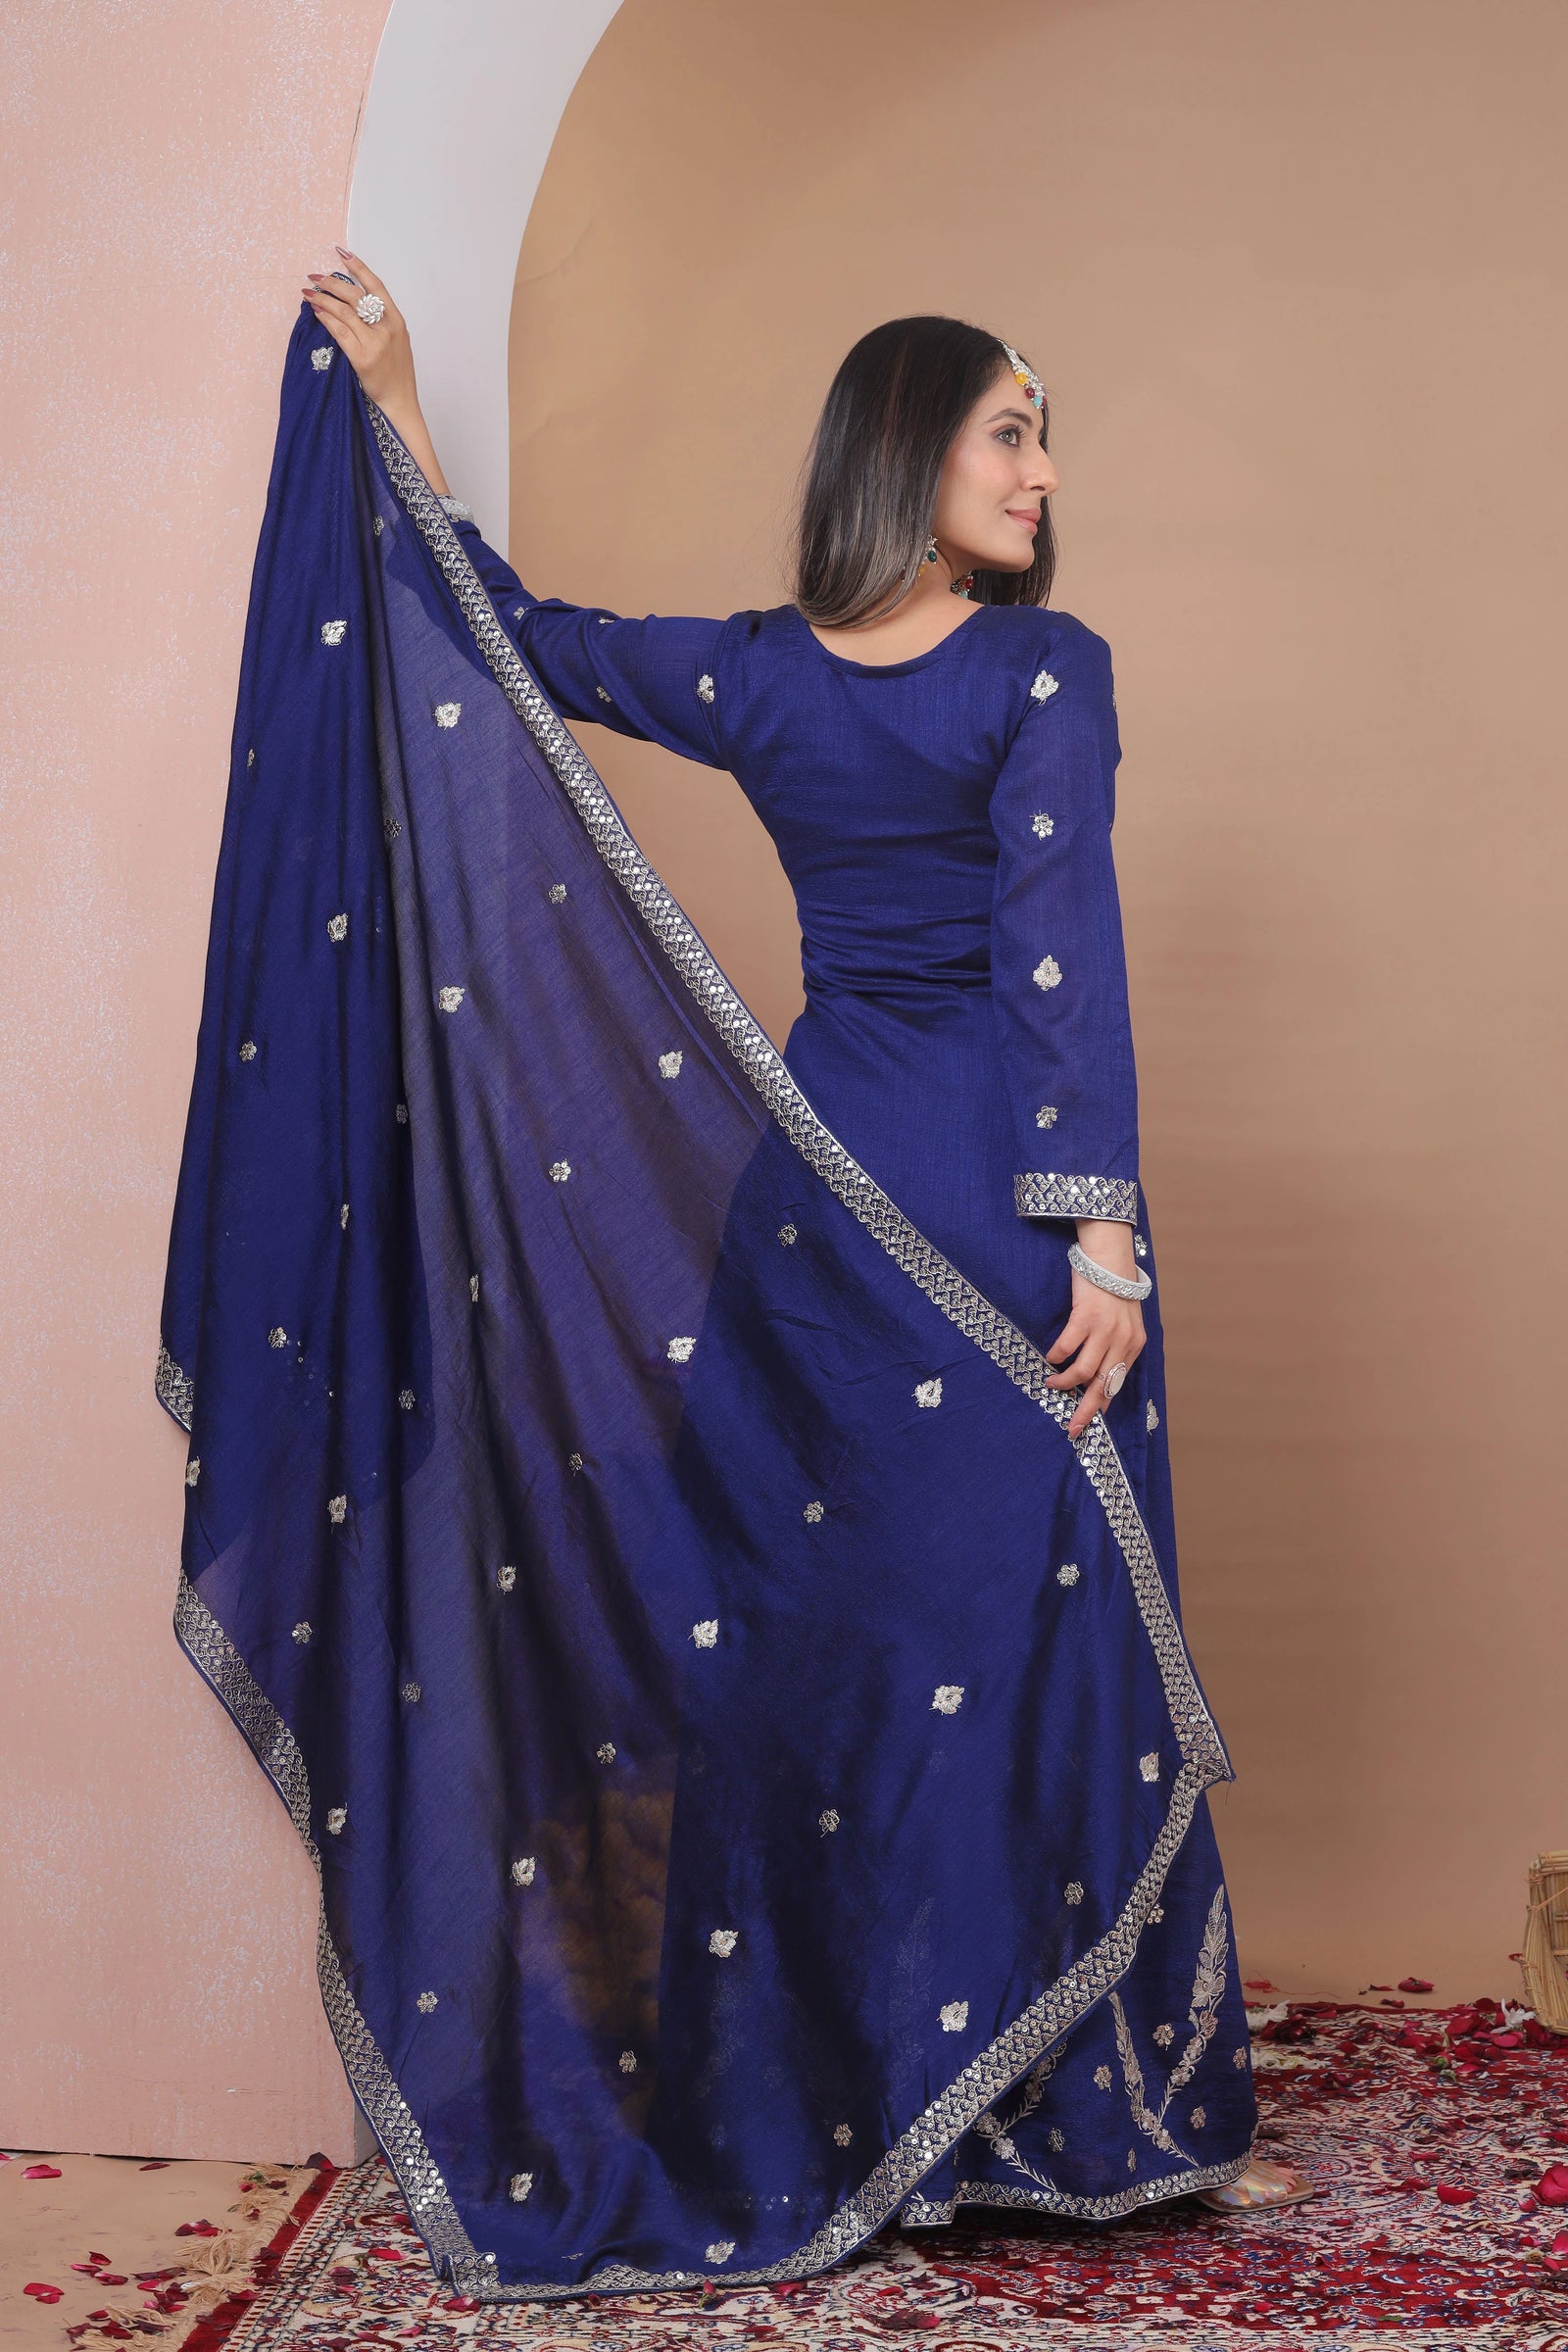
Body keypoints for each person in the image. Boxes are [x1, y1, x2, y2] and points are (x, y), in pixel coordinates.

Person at [185, 248, 1309, 2291]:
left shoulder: (756, 675)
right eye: (1007, 427)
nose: (1042, 468)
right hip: (991, 1209)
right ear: (908, 447)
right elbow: (1062, 963)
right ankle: (1085, 2115)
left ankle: (822, 2081)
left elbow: (507, 644)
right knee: (1041, 1641)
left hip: (815, 1198)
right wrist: (1101, 1227)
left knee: (816, 1643)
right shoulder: (1037, 677)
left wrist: (405, 418)